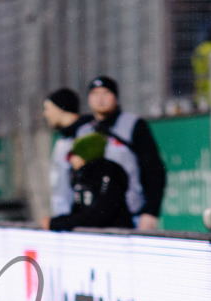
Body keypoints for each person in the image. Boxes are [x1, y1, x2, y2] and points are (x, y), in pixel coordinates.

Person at [77, 76, 166, 232]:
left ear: (115, 97)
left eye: (106, 93)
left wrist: (151, 212)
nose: (100, 99)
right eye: (95, 94)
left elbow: (154, 171)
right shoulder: (84, 132)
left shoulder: (133, 125)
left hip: (131, 215)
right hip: (94, 217)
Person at [49, 133, 132, 232]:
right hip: (94, 236)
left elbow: (100, 215)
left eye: (73, 155)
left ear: (85, 155)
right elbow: (79, 211)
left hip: (114, 237)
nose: (70, 160)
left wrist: (58, 223)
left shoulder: (107, 174)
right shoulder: (80, 176)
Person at [41, 87, 90, 222]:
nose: (45, 114)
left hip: (79, 222)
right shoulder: (63, 138)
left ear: (60, 108)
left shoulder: (85, 136)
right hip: (64, 221)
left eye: (48, 108)